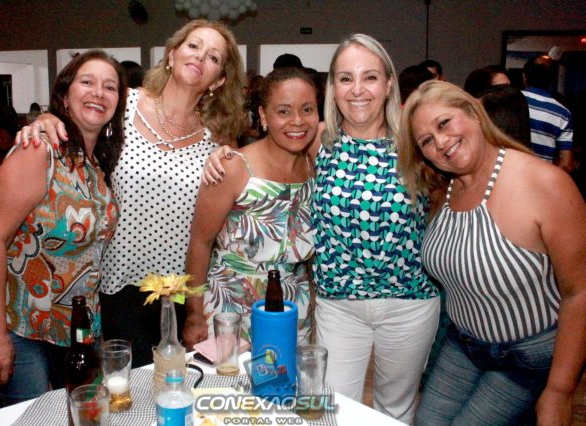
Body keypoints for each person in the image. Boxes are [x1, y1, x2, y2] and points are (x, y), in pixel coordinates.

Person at [204, 34, 440, 425]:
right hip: (338, 307)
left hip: (409, 305)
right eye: (346, 78)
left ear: (388, 84)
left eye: (369, 77)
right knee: (332, 408)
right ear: (333, 88)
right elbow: (274, 142)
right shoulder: (319, 139)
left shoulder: (415, 142)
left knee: (396, 410)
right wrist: (222, 152)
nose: (358, 89)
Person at [15, 19, 246, 367]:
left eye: (214, 57)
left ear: (219, 80)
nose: (200, 57)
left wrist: (196, 309)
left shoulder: (218, 139)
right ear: (172, 55)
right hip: (116, 283)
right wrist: (48, 119)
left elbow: (217, 222)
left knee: (176, 383)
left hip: (180, 291)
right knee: (130, 386)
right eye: (193, 46)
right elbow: (77, 124)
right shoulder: (123, 105)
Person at [398, 80, 586, 425]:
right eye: (426, 140)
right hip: (463, 345)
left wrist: (560, 390)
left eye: (444, 123)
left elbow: (580, 291)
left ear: (473, 112)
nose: (441, 142)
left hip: (527, 357)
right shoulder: (444, 189)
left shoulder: (543, 183)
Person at [0, 50, 126, 408]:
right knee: (34, 417)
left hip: (77, 328)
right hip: (20, 325)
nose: (98, 93)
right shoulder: (39, 149)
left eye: (110, 87)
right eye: (87, 82)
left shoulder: (97, 165)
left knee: (81, 414)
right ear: (65, 96)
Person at [183, 67, 318, 347]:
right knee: (227, 375)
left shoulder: (316, 165)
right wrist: (194, 314)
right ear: (264, 116)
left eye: (307, 109)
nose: (297, 121)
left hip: (294, 303)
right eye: (283, 111)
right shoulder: (233, 167)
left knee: (284, 374)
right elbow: (200, 242)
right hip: (229, 302)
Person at [522, 55, 575, 173]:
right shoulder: (563, 113)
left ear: (524, 76)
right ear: (553, 81)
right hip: (539, 179)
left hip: (506, 175)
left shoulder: (509, 100)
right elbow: (566, 164)